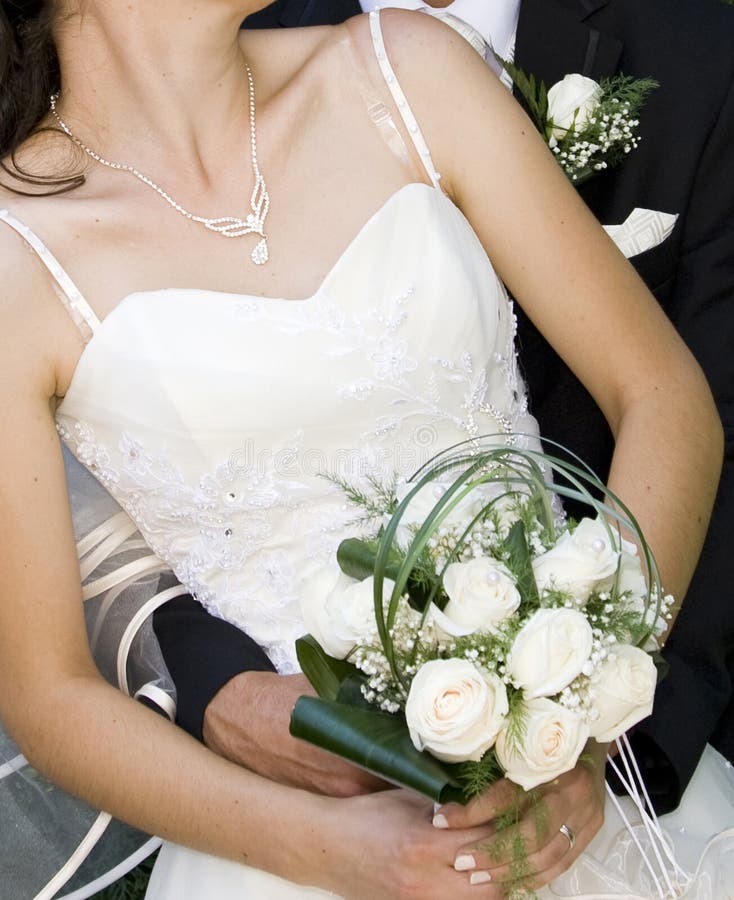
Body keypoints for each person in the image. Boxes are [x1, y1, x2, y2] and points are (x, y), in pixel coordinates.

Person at [0, 2, 725, 900]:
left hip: (579, 802)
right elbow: (49, 698)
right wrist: (339, 851)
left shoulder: (411, 71)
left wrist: (584, 713)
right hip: (303, 848)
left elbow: (663, 394)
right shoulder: (14, 256)